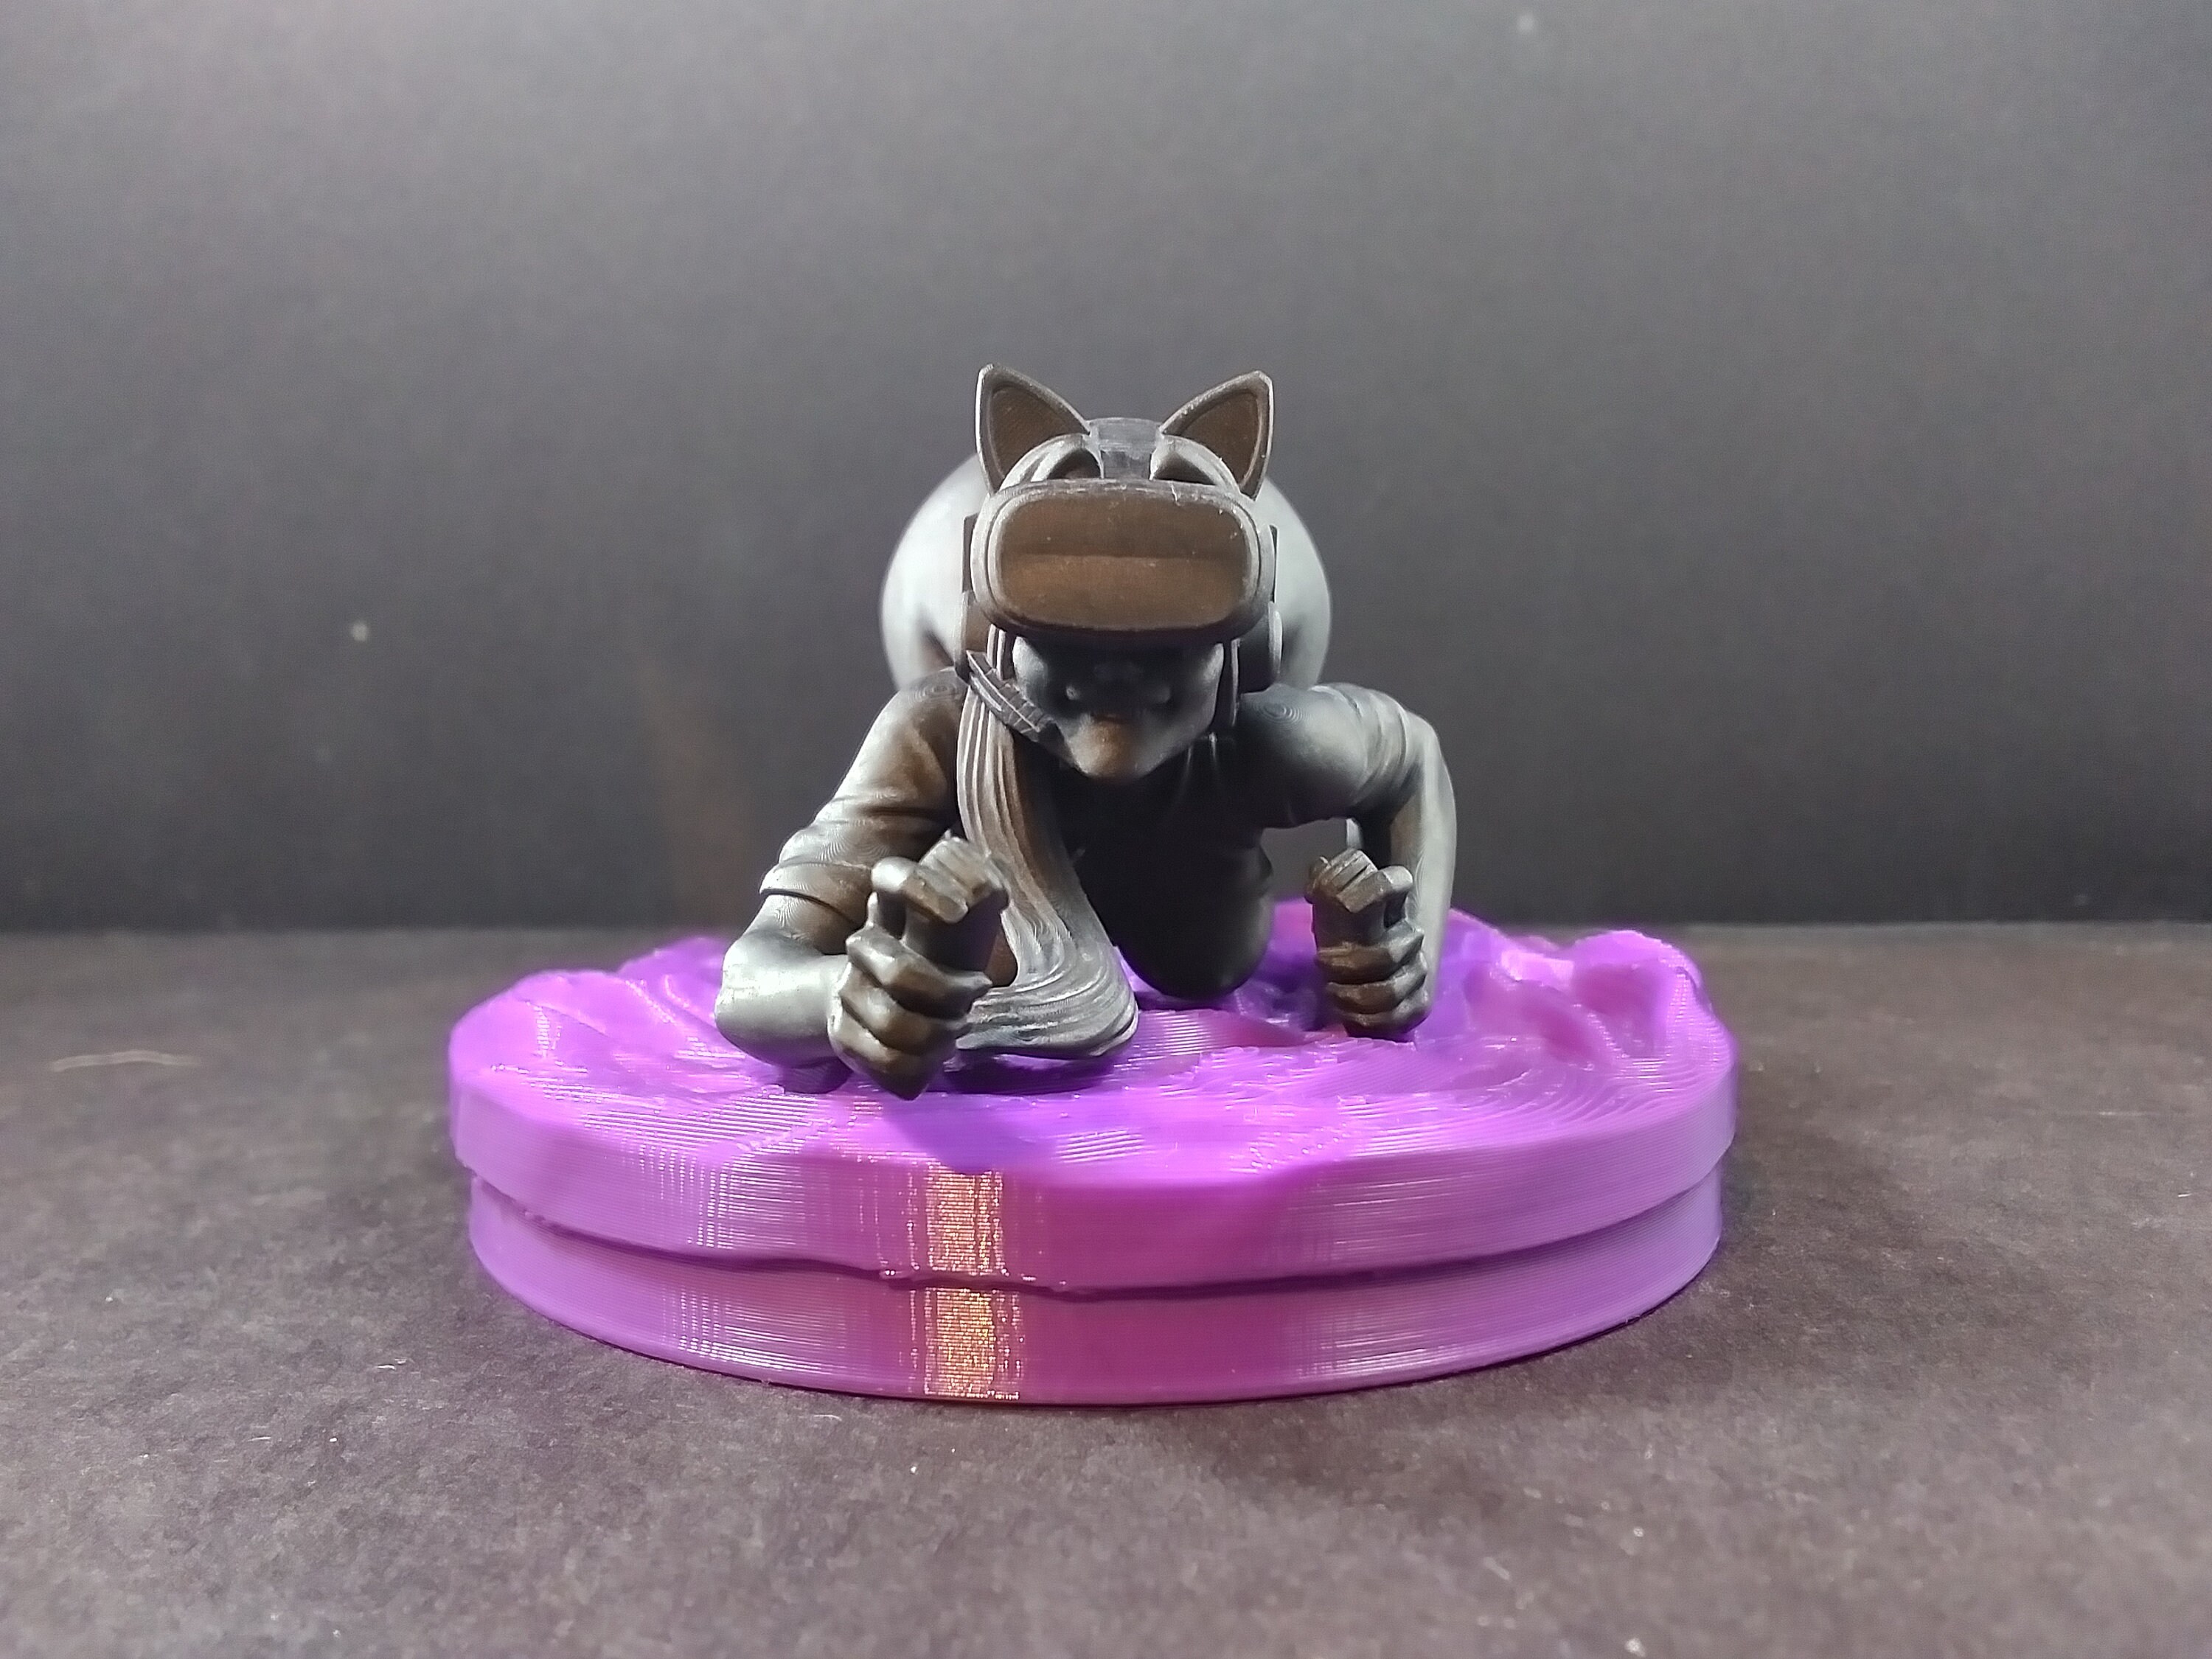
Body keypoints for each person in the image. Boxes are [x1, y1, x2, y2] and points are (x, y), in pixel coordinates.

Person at [715, 367, 1456, 1096]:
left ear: (1246, 652)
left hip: (1198, 880)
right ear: (989, 640)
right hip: (1002, 881)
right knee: (998, 946)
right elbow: (752, 980)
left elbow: (1410, 762)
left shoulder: (1267, 743)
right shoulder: (940, 732)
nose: (1117, 678)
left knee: (1204, 956)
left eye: (1168, 645)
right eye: (1067, 643)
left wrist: (1405, 954)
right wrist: (844, 994)